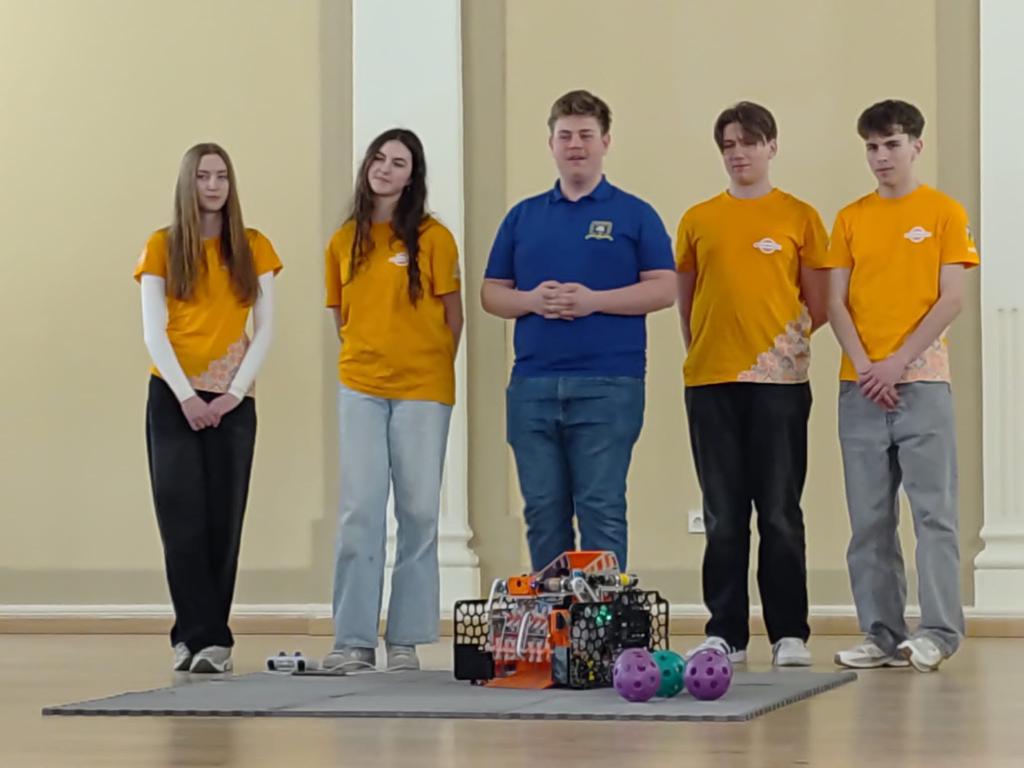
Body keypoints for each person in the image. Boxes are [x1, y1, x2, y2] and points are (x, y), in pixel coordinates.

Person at [481, 89, 675, 572]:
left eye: (586, 135)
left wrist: (593, 301)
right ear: (550, 143)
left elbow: (664, 289)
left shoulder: (635, 214)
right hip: (532, 386)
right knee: (542, 511)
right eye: (565, 135)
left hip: (609, 385)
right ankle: (553, 615)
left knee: (600, 507)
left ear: (605, 141)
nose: (575, 145)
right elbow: (491, 294)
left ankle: (601, 616)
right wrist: (531, 301)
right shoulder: (523, 216)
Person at [824, 100, 979, 672]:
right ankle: (881, 633)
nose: (881, 156)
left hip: (924, 384)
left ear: (916, 145)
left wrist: (897, 363)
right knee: (869, 520)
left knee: (934, 515)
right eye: (871, 146)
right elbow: (835, 302)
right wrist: (869, 366)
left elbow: (952, 298)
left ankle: (938, 632)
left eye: (891, 144)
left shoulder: (943, 212)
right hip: (861, 388)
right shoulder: (850, 218)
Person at [676, 102, 829, 666]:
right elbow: (688, 300)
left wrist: (775, 349)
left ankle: (789, 633)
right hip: (710, 382)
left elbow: (818, 303)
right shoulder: (698, 219)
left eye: (748, 142)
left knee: (780, 512)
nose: (738, 153)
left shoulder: (800, 217)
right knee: (722, 514)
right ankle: (726, 632)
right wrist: (707, 349)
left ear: (771, 146)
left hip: (779, 383)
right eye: (728, 145)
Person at [135, 142, 282, 673]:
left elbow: (266, 329)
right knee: (181, 519)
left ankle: (213, 641)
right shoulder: (162, 246)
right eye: (203, 176)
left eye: (221, 176)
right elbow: (154, 333)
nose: (213, 185)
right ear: (188, 183)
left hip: (232, 399)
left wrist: (233, 394)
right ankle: (193, 635)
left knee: (224, 518)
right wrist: (187, 398)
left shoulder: (253, 246)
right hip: (173, 397)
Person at [323, 129, 463, 673]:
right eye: (378, 158)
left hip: (423, 391)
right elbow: (342, 318)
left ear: (412, 176)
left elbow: (453, 317)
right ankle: (353, 639)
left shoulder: (435, 239)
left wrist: (426, 366)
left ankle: (405, 639)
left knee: (419, 511)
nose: (385, 168)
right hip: (361, 387)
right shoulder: (343, 241)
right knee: (360, 510)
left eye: (398, 162)